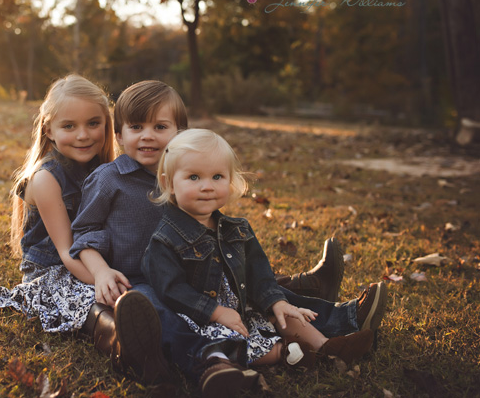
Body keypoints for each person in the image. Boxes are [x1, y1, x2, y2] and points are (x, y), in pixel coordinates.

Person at [70, 80, 388, 396]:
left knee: (256, 291)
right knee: (156, 312)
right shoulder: (110, 178)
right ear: (119, 133)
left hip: (195, 267)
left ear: (179, 132)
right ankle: (210, 361)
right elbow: (85, 230)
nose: (148, 135)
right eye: (136, 126)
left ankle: (345, 320)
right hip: (137, 280)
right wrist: (99, 270)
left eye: (160, 126)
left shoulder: (186, 172)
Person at [142, 129, 376, 394]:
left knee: (286, 316)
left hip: (244, 307)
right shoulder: (165, 240)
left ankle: (328, 349)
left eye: (217, 176)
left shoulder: (237, 228)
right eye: (194, 177)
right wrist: (215, 312)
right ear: (170, 182)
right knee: (231, 343)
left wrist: (276, 301)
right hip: (203, 319)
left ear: (229, 181)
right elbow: (170, 290)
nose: (207, 186)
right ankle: (283, 354)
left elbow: (258, 272)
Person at [0, 74, 115, 332]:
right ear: (49, 130)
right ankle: (115, 334)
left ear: (106, 124)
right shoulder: (46, 179)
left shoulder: (104, 169)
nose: (83, 135)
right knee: (90, 299)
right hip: (53, 270)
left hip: (93, 263)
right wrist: (104, 280)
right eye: (69, 126)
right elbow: (67, 253)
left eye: (93, 123)